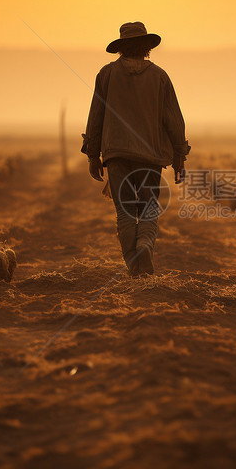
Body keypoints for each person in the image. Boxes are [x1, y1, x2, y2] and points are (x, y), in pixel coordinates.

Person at [81, 21, 190, 277]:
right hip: (150, 157)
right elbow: (174, 120)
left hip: (116, 155)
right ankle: (144, 247)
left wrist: (92, 155)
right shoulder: (160, 77)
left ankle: (133, 265)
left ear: (121, 48)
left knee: (126, 212)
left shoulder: (106, 74)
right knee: (149, 208)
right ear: (146, 47)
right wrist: (179, 158)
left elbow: (95, 117)